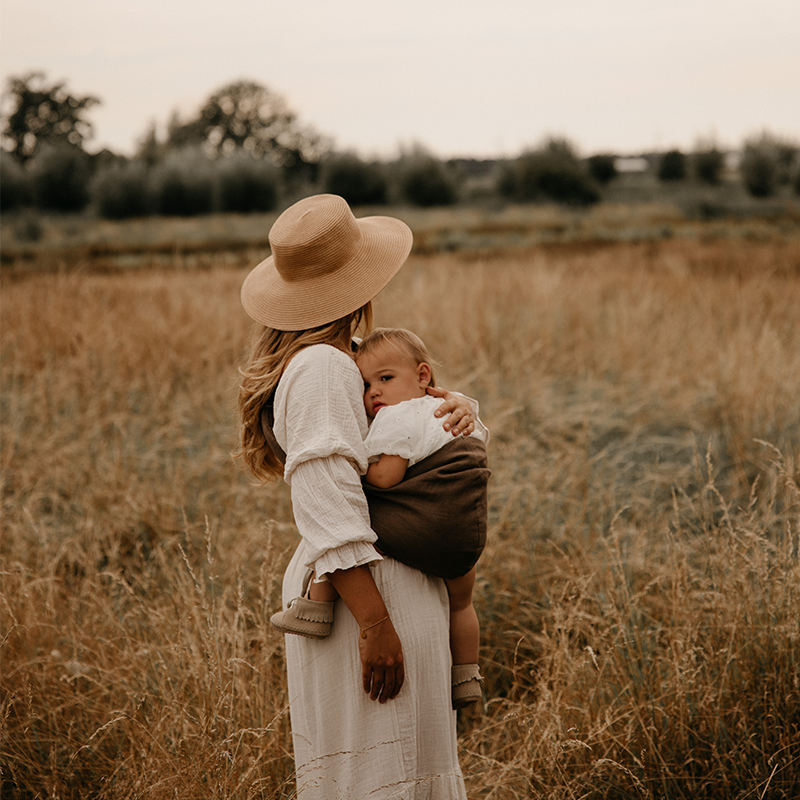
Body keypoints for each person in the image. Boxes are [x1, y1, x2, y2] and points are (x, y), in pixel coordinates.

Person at [238, 194, 477, 798]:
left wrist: (459, 405)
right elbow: (325, 499)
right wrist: (375, 623)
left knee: (376, 772)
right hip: (367, 593)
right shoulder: (323, 366)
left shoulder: (332, 361)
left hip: (362, 583)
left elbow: (398, 427)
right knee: (379, 775)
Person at [271, 327, 488, 709]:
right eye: (366, 385)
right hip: (461, 537)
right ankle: (467, 675)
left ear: (422, 376)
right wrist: (464, 405)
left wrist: (356, 469)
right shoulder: (440, 408)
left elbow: (384, 478)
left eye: (384, 380)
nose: (373, 393)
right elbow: (474, 437)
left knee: (347, 513)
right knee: (461, 604)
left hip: (416, 530)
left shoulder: (395, 418)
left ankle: (317, 605)